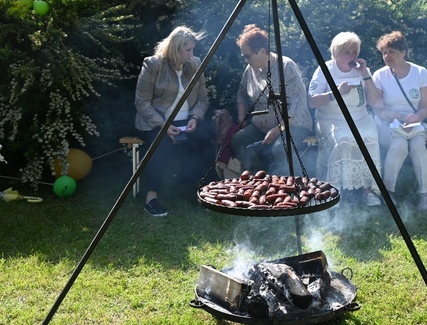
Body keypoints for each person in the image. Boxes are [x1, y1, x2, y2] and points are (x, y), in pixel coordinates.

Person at [134, 25, 212, 218]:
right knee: (161, 145)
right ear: (175, 48)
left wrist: (195, 118)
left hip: (186, 121)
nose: (191, 54)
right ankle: (151, 199)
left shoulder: (195, 63)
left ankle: (200, 189)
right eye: (188, 50)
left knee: (203, 137)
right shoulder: (153, 65)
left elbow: (203, 98)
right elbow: (141, 102)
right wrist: (164, 125)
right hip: (156, 122)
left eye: (193, 49)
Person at [308, 32, 382, 206]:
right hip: (330, 119)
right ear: (335, 53)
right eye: (347, 52)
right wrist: (336, 93)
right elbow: (312, 101)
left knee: (370, 137)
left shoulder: (363, 71)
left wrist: (365, 75)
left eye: (355, 52)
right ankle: (335, 189)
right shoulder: (324, 69)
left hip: (360, 118)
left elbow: (376, 102)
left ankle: (367, 190)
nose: (352, 56)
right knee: (343, 140)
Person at [232, 24, 313, 176]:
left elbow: (298, 104)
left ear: (262, 52)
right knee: (239, 140)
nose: (246, 60)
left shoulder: (286, 66)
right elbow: (242, 92)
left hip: (293, 125)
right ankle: (258, 181)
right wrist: (241, 116)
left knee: (279, 148)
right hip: (261, 126)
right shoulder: (250, 70)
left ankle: (285, 187)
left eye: (247, 56)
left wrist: (278, 129)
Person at [372, 31, 427, 211]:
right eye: (384, 52)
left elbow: (426, 107)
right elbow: (379, 108)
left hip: (415, 123)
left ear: (403, 52)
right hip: (387, 123)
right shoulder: (380, 76)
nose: (386, 56)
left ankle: (425, 195)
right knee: (399, 145)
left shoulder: (420, 72)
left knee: (418, 148)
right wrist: (399, 117)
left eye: (391, 52)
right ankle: (388, 192)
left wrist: (414, 118)